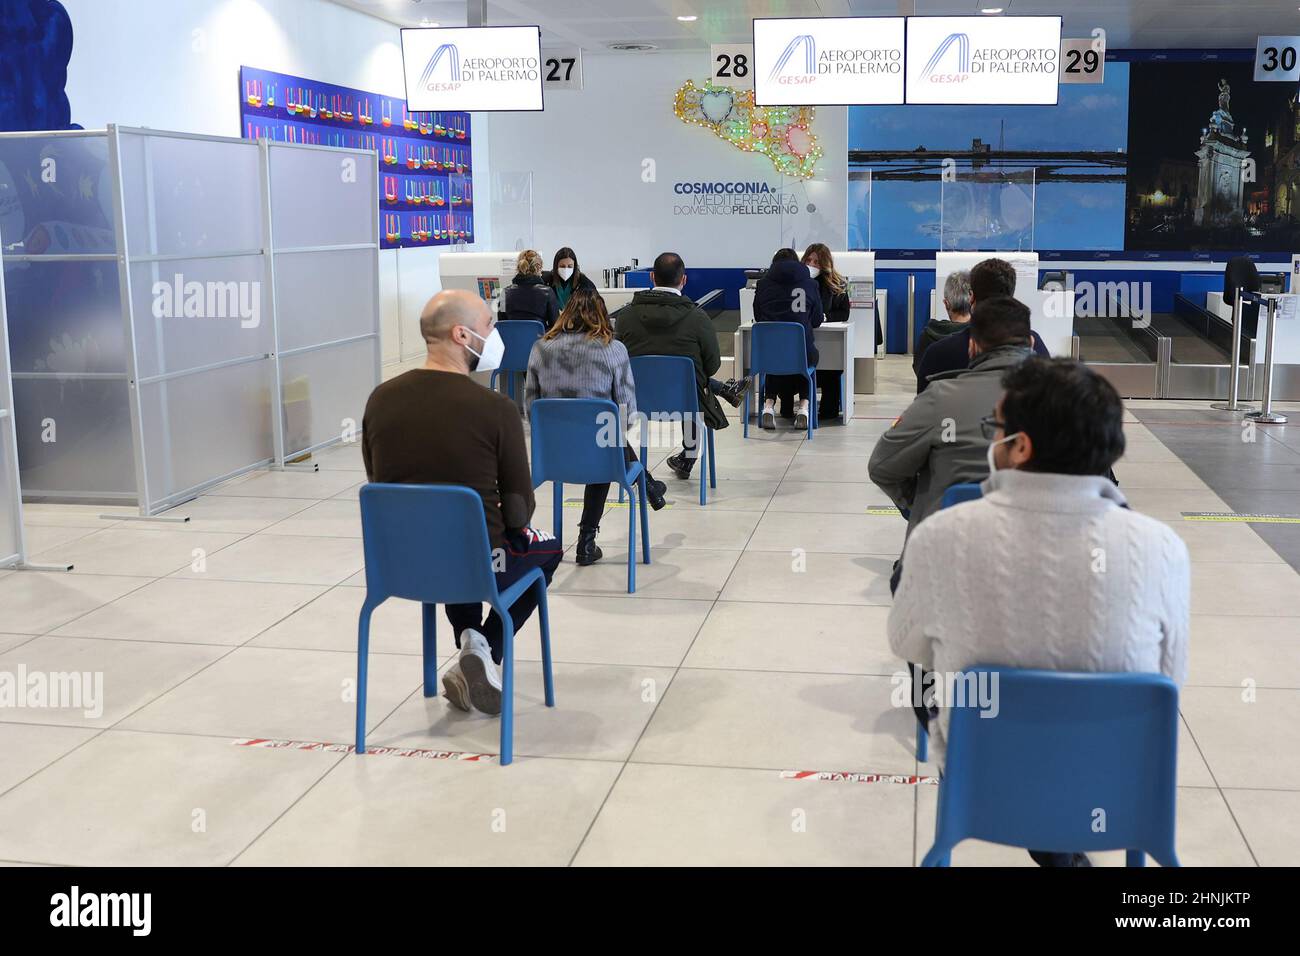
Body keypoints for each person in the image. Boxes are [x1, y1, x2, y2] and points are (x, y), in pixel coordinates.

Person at [888, 356, 1190, 867]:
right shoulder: (1161, 547)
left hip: (982, 780)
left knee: (929, 661)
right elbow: (1169, 676)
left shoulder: (941, 535)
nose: (992, 440)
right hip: (1120, 787)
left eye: (997, 428)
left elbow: (905, 643)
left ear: (1021, 447)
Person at [361, 289, 562, 717]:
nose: (494, 335)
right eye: (489, 325)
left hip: (400, 564)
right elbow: (519, 510)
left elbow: (377, 483)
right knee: (544, 548)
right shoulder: (496, 408)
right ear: (461, 334)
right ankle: (487, 649)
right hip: (484, 563)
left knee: (449, 539)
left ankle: (472, 641)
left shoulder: (379, 400)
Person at [869, 295, 1035, 538]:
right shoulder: (1066, 402)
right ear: (1030, 343)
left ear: (972, 346)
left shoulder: (941, 396)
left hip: (943, 547)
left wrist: (922, 503)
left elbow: (881, 466)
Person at [526, 288, 667, 566]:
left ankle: (646, 485)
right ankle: (587, 539)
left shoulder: (540, 347)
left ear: (565, 314)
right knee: (605, 439)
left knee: (600, 438)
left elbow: (531, 408)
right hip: (599, 455)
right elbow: (627, 416)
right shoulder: (613, 349)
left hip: (550, 457)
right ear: (602, 316)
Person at [614, 252, 746, 481]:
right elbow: (712, 365)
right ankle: (690, 454)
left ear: (652, 277)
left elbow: (616, 359)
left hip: (638, 400)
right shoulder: (698, 318)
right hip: (687, 402)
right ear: (683, 280)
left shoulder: (625, 317)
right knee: (692, 383)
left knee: (689, 382)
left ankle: (686, 455)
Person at [915, 257, 1049, 393]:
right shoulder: (1037, 347)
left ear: (971, 297)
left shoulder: (938, 353)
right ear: (1011, 297)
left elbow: (923, 403)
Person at [753, 248, 823, 430]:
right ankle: (804, 407)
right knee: (804, 357)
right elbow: (816, 320)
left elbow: (758, 317)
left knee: (775, 356)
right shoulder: (810, 284)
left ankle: (768, 406)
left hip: (770, 356)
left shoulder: (762, 284)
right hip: (802, 354)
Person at [803, 243, 851, 422]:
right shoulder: (799, 283)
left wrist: (824, 317)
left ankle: (829, 410)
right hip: (806, 341)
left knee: (832, 369)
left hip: (828, 340)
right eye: (809, 260)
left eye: (816, 261)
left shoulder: (837, 284)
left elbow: (844, 312)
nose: (812, 265)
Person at [913, 270, 971, 376]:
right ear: (973, 300)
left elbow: (919, 370)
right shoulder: (982, 336)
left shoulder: (928, 335)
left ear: (946, 303)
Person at [500, 249, 559, 330]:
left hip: (512, 342)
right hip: (539, 341)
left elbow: (502, 326)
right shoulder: (547, 292)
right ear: (539, 268)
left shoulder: (504, 293)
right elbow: (555, 327)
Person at [543, 246, 597, 313]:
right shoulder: (548, 280)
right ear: (556, 266)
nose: (566, 269)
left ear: (574, 267)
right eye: (562, 266)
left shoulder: (584, 283)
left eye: (570, 266)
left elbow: (595, 304)